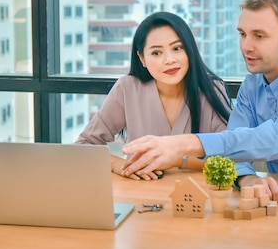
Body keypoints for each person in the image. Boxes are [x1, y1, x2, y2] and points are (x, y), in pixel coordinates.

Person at [121, 0, 278, 188]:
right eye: (242, 34)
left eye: (259, 36)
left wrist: (185, 144)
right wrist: (248, 179)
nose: (246, 46)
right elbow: (235, 144)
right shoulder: (253, 84)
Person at [76, 11, 232, 179]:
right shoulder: (127, 88)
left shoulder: (212, 89)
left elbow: (233, 158)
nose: (169, 60)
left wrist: (179, 159)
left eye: (177, 48)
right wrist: (120, 165)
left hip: (197, 197)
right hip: (140, 194)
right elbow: (84, 146)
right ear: (142, 58)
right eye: (157, 53)